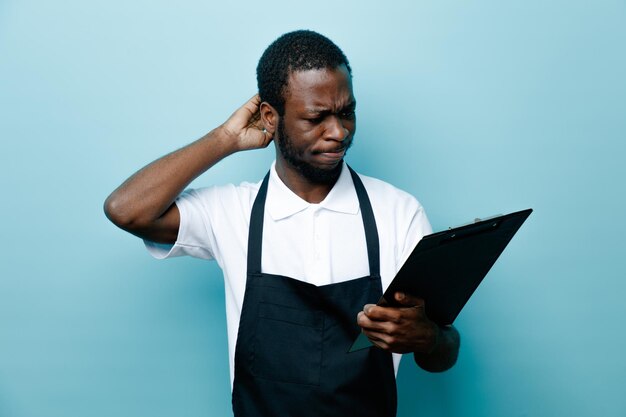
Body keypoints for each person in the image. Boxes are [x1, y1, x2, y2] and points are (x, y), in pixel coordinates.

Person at [104, 30, 460, 417]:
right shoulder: (233, 212)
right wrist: (225, 138)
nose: (338, 132)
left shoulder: (398, 213)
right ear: (271, 117)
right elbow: (127, 209)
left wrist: (427, 337)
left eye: (346, 113)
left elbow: (442, 353)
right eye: (316, 117)